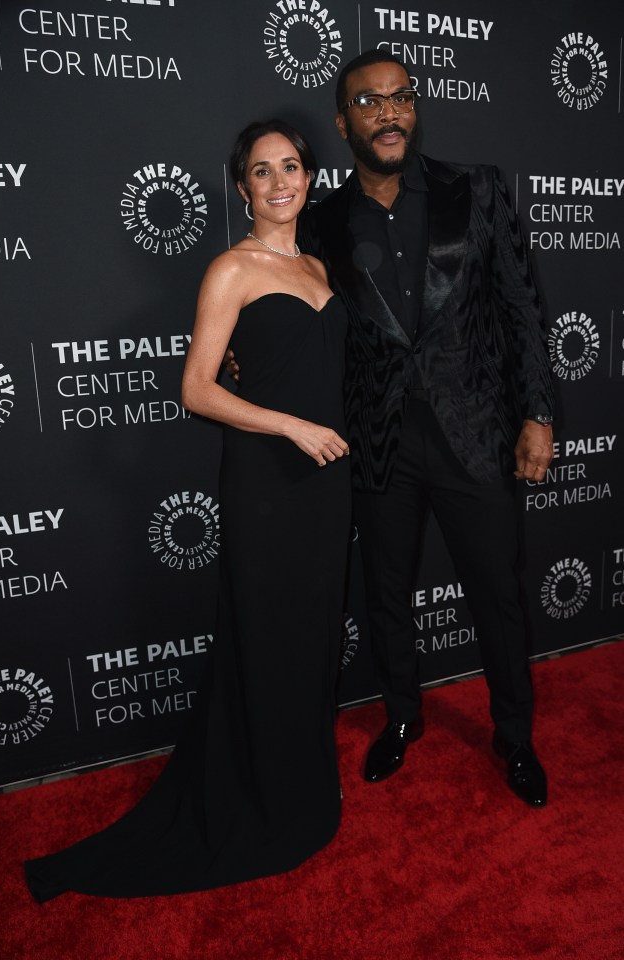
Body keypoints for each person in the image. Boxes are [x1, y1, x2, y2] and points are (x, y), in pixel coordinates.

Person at [24, 120, 351, 901]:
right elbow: (197, 389)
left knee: (309, 641)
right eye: (262, 171)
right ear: (241, 187)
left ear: (309, 177)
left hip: (327, 484)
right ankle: (262, 804)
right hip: (267, 483)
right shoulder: (229, 270)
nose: (280, 182)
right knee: (265, 642)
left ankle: (304, 791)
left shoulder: (318, 263)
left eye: (292, 166)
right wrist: (289, 424)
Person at [297, 49, 555, 808]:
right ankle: (402, 718)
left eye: (400, 97)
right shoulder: (322, 221)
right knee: (385, 592)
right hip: (377, 441)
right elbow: (296, 319)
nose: (389, 113)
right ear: (344, 122)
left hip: (475, 431)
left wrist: (538, 412)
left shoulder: (475, 190)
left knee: (498, 598)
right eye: (369, 103)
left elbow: (521, 308)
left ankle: (514, 734)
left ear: (415, 107)